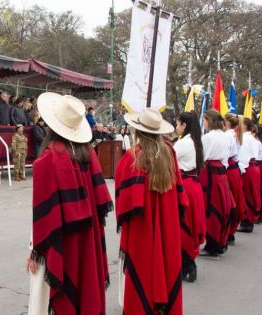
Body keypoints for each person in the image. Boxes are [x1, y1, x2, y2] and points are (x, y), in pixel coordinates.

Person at [27, 92, 111, 315]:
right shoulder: (88, 152)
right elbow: (100, 200)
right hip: (88, 231)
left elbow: (44, 213)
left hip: (63, 237)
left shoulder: (49, 158)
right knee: (86, 283)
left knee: (59, 291)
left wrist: (36, 250)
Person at [115, 108, 186, 314]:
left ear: (137, 130)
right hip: (167, 221)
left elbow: (123, 201)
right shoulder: (169, 152)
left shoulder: (132, 157)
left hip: (141, 227)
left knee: (143, 268)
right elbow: (180, 196)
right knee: (166, 261)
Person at [173, 111, 205, 283]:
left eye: (178, 124)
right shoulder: (196, 141)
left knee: (182, 224)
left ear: (184, 125)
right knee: (190, 224)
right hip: (194, 185)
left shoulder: (184, 143)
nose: (176, 127)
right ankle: (188, 264)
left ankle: (187, 265)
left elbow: (168, 159)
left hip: (185, 185)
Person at [199, 109, 234, 259]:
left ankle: (212, 245)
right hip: (221, 172)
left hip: (210, 172)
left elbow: (201, 157)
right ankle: (219, 242)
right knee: (222, 206)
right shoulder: (225, 136)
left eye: (204, 120)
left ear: (209, 120)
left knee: (210, 208)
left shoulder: (208, 137)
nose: (203, 123)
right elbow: (226, 158)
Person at [224, 113, 247, 245]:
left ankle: (228, 231)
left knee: (228, 201)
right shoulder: (235, 134)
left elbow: (225, 155)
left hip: (228, 169)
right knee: (235, 199)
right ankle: (231, 231)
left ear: (227, 122)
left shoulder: (228, 136)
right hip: (234, 168)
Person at [236, 117, 261, 233]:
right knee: (252, 193)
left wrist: (240, 169)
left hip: (247, 168)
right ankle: (248, 221)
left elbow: (243, 156)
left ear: (244, 126)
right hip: (253, 167)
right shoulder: (252, 138)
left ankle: (247, 221)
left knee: (246, 194)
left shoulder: (245, 138)